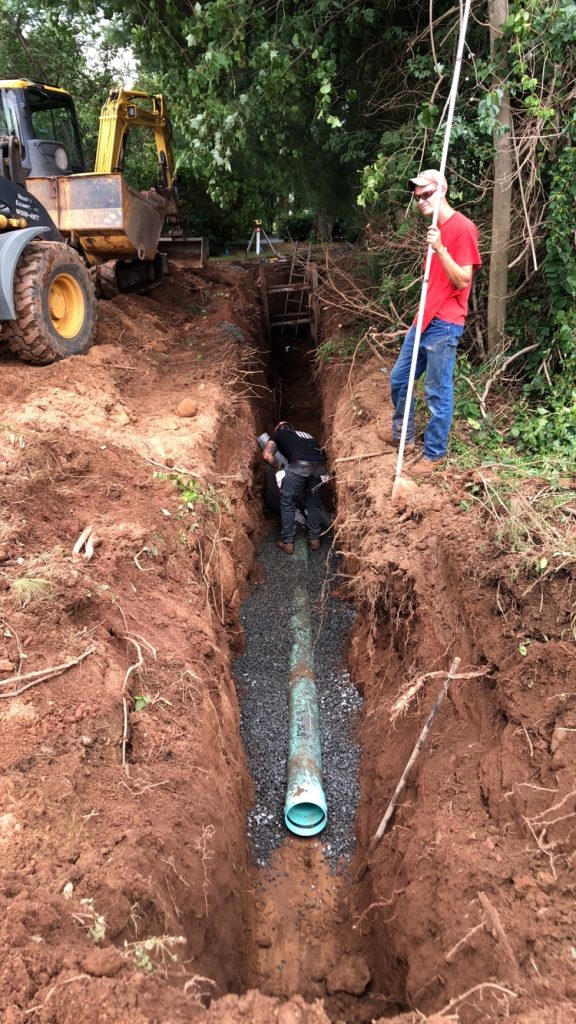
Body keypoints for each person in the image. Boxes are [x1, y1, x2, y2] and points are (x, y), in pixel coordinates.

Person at [378, 169, 482, 476]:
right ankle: (404, 436)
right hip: (423, 319)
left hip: (445, 323)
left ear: (443, 191)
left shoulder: (462, 228)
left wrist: (440, 248)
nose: (420, 200)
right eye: (417, 195)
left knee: (437, 391)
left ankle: (434, 453)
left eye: (427, 194)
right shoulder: (435, 226)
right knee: (399, 379)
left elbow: (463, 279)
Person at [262, 422, 327, 554]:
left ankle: (287, 541)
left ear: (278, 429)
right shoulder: (308, 436)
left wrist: (279, 467)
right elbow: (323, 454)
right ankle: (314, 539)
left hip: (298, 466)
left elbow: (266, 455)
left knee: (288, 502)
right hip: (320, 468)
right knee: (313, 503)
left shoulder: (279, 435)